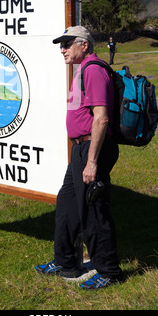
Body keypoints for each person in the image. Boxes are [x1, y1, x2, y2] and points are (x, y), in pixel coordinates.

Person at [35, 26, 122, 290]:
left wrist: (92, 162)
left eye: (67, 43)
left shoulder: (93, 70)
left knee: (94, 211)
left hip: (91, 149)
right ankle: (66, 262)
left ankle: (108, 271)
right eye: (60, 45)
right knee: (67, 204)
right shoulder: (82, 70)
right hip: (80, 150)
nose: (62, 49)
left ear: (84, 45)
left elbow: (101, 118)